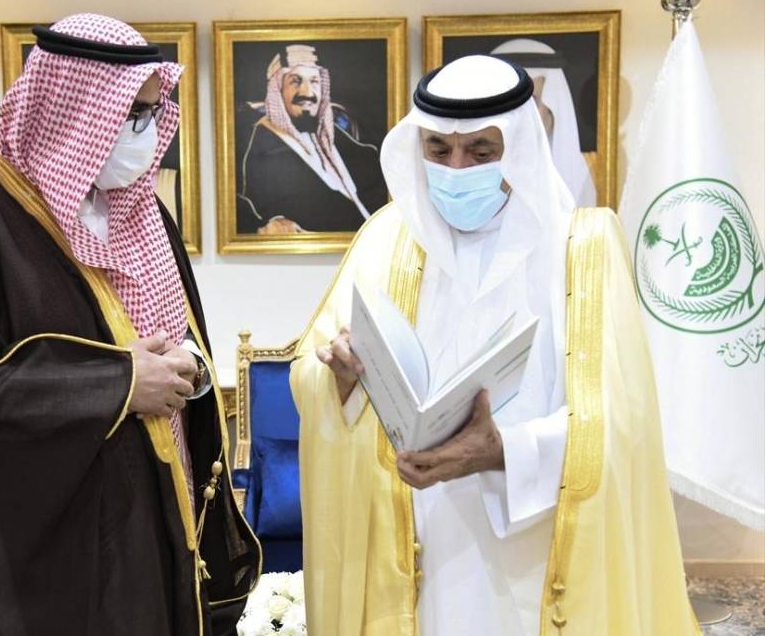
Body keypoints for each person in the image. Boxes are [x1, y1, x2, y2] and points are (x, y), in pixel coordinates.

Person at [0, 14, 260, 636]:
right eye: (131, 115)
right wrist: (119, 385)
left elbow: (177, 331)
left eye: (154, 114)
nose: (148, 135)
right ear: (74, 112)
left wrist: (189, 373)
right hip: (32, 558)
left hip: (148, 516)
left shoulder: (140, 208)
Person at [291, 56, 700, 636]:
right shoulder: (385, 239)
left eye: (480, 152)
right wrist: (341, 376)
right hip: (414, 552)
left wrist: (504, 451)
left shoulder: (583, 248)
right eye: (438, 150)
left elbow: (622, 424)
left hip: (536, 552)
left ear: (519, 147)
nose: (456, 169)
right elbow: (313, 374)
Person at [236, 44, 388, 234]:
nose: (307, 92)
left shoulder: (339, 135)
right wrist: (272, 221)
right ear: (278, 90)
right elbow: (237, 201)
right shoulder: (257, 139)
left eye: (314, 81)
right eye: (295, 81)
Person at [492, 38, 598, 207]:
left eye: (531, 102)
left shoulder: (587, 174)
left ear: (553, 107)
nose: (519, 116)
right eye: (507, 104)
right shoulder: (470, 172)